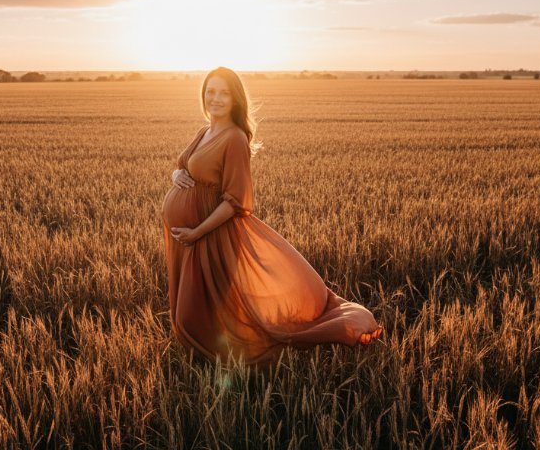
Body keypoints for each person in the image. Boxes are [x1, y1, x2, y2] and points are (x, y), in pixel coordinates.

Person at [160, 66, 383, 365]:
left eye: (224, 93)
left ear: (236, 99)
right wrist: (177, 174)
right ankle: (208, 363)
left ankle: (232, 365)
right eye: (210, 92)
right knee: (195, 313)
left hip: (211, 236)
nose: (216, 98)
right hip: (188, 237)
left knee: (192, 317)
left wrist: (197, 232)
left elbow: (235, 202)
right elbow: (185, 165)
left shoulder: (235, 138)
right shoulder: (206, 131)